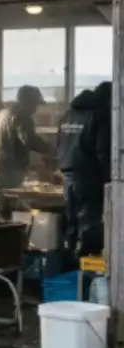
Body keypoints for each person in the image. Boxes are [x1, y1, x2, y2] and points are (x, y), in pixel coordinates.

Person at [56, 81, 111, 258]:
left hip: (67, 176)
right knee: (89, 224)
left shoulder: (68, 114)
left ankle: (70, 263)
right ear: (109, 98)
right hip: (89, 177)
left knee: (72, 222)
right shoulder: (100, 114)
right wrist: (111, 176)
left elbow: (59, 143)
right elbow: (103, 150)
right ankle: (85, 274)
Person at [0, 84, 52, 195]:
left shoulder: (1, 114)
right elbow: (30, 140)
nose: (35, 109)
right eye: (35, 105)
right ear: (28, 102)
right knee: (11, 203)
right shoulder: (22, 116)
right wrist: (52, 150)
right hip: (8, 171)